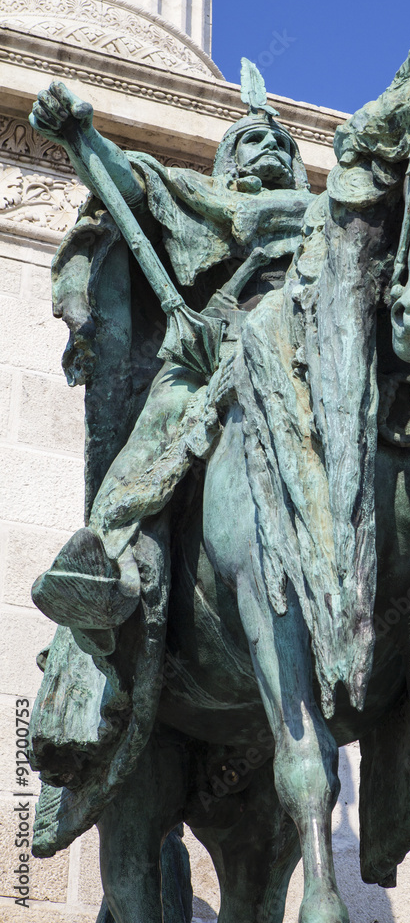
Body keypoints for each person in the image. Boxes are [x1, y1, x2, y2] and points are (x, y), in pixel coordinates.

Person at [29, 61, 313, 650]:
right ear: (229, 161)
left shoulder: (331, 217)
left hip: (317, 353)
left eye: (283, 144)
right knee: (158, 428)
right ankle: (111, 562)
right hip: (218, 355)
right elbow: (134, 187)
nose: (271, 147)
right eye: (253, 140)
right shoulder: (204, 197)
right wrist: (82, 136)